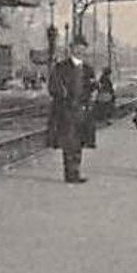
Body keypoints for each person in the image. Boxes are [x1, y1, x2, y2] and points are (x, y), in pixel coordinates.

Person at [48, 37, 94, 184]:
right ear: (71, 49)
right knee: (69, 142)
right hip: (66, 110)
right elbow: (53, 87)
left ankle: (76, 171)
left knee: (79, 142)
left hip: (82, 110)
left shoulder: (88, 69)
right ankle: (70, 174)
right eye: (77, 47)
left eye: (82, 48)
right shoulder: (61, 67)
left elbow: (91, 88)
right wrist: (64, 97)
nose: (80, 50)